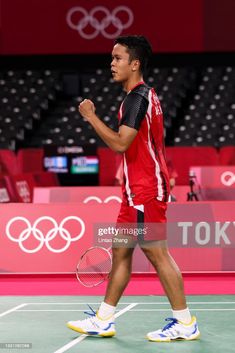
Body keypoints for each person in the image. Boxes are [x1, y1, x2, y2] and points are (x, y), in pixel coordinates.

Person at [67, 35, 200, 342]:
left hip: (145, 190)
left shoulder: (138, 98)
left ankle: (185, 322)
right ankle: (103, 319)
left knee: (157, 254)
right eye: (112, 58)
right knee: (121, 250)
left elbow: (120, 143)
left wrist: (90, 117)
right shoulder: (138, 97)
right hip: (134, 192)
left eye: (118, 58)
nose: (111, 63)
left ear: (135, 63)